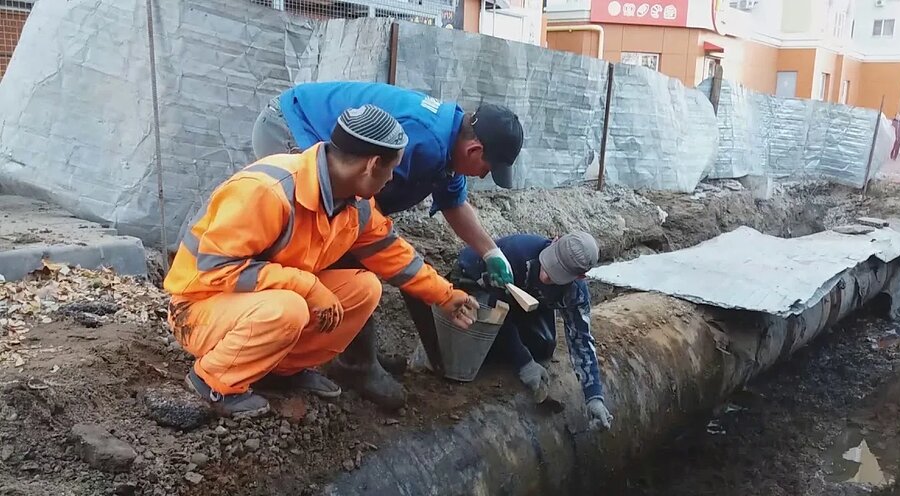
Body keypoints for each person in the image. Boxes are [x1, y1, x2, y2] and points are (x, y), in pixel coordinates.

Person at [164, 105, 479, 418]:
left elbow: (392, 253)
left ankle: (279, 370)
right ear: (371, 165)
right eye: (391, 169)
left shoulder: (356, 202)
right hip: (197, 308)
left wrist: (445, 296)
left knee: (364, 289)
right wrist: (308, 285)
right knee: (290, 308)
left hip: (255, 303)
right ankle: (213, 380)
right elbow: (217, 267)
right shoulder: (269, 191)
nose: (391, 179)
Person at [250, 81, 524, 409]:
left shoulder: (448, 143)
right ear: (474, 151)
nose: (482, 177)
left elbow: (453, 203)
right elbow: (364, 224)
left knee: (360, 242)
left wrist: (490, 251)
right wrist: (425, 281)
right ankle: (348, 363)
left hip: (309, 123)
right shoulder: (425, 140)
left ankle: (349, 349)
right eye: (487, 170)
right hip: (293, 125)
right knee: (337, 240)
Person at [442, 232, 614, 431]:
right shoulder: (517, 253)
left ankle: (503, 350)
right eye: (550, 264)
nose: (546, 275)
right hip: (474, 284)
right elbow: (495, 310)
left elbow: (581, 340)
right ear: (555, 240)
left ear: (580, 276)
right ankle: (496, 352)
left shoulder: (575, 292)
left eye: (558, 273)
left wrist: (594, 396)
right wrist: (524, 362)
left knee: (544, 345)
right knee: (479, 339)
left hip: (519, 299)